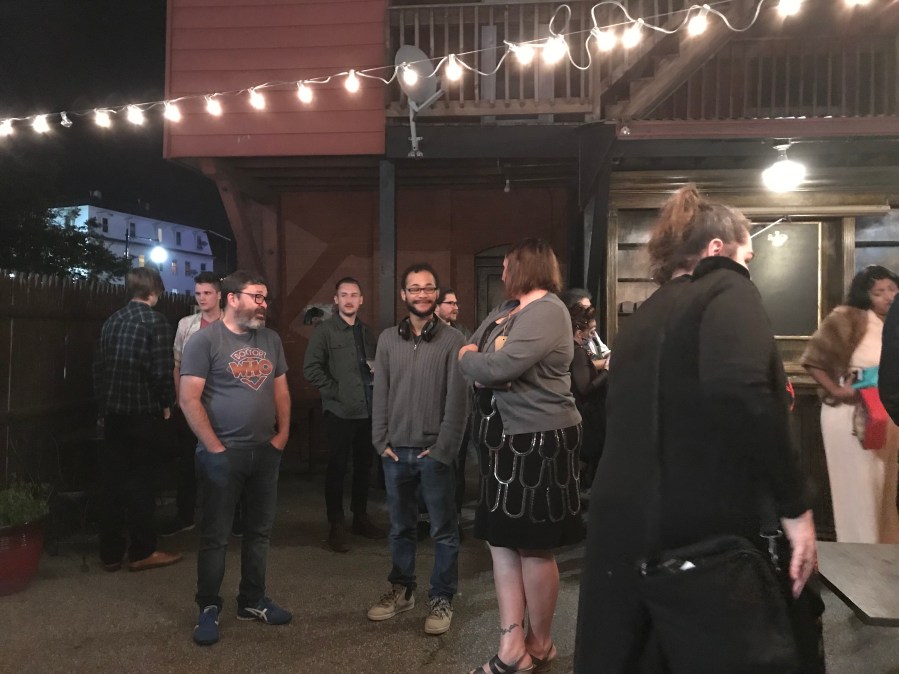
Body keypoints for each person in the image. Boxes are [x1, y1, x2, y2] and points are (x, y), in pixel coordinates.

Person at [574, 186, 819, 672]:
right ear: (717, 250)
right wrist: (795, 506)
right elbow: (742, 389)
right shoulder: (726, 287)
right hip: (701, 532)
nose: (748, 267)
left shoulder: (643, 317)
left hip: (622, 525)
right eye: (747, 256)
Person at [459, 239, 583, 674]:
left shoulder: (548, 311)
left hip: (538, 442)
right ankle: (511, 644)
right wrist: (479, 362)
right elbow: (471, 350)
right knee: (500, 541)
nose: (503, 272)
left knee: (533, 546)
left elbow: (496, 367)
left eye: (508, 265)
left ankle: (540, 643)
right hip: (502, 444)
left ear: (526, 266)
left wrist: (485, 367)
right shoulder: (505, 310)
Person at [180, 270, 292, 646]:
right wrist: (214, 447)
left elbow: (281, 391)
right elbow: (188, 399)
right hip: (222, 457)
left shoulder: (271, 339)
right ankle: (209, 606)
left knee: (259, 534)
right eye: (256, 297)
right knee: (215, 537)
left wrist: (281, 436)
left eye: (265, 298)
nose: (263, 305)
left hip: (264, 453)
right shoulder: (204, 341)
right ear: (232, 298)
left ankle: (252, 601)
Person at [366, 263, 467, 636]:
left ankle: (441, 596)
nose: (421, 294)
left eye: (428, 288)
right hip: (396, 453)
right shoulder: (387, 340)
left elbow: (459, 401)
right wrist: (380, 440)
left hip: (433, 453)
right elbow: (380, 392)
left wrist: (444, 449)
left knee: (443, 530)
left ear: (436, 294)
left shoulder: (453, 341)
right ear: (403, 294)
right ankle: (402, 589)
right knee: (400, 528)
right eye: (414, 288)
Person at [93, 267, 182, 573]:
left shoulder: (112, 320)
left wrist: (102, 408)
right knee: (142, 483)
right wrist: (167, 403)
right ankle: (142, 551)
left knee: (112, 483)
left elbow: (99, 368)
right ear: (154, 292)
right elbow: (160, 371)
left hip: (113, 414)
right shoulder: (156, 322)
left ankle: (110, 553)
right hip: (143, 414)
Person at [803, 265, 899, 543]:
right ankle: (860, 552)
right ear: (864, 295)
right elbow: (813, 359)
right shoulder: (848, 317)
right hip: (852, 413)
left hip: (887, 411)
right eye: (878, 292)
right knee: (859, 488)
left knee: (885, 486)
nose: (888, 296)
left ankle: (886, 553)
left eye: (892, 289)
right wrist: (836, 389)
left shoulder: (893, 322)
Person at [303, 277, 384, 553]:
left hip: (366, 410)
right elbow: (311, 368)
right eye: (344, 295)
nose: (349, 300)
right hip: (339, 411)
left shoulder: (367, 333)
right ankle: (336, 523)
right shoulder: (325, 332)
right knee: (337, 468)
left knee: (364, 467)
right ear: (336, 300)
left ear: (361, 300)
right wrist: (336, 391)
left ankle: (360, 517)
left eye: (354, 295)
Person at [160, 271, 224, 536]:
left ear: (219, 295)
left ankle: (228, 515)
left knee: (225, 460)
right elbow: (177, 364)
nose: (202, 298)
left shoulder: (229, 324)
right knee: (186, 461)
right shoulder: (187, 325)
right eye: (198, 293)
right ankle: (185, 514)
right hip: (191, 403)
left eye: (207, 293)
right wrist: (180, 399)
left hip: (221, 403)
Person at [435, 287, 472, 533]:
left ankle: (454, 519)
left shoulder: (463, 334)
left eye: (456, 302)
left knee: (457, 465)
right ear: (436, 307)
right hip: (433, 409)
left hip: (460, 409)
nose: (456, 307)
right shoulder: (427, 333)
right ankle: (427, 517)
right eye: (450, 303)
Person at [567, 303, 607, 491]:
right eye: (590, 332)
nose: (593, 336)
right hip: (586, 416)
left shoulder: (571, 349)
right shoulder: (578, 353)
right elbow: (585, 388)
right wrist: (607, 371)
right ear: (578, 332)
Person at [559, 287, 610, 368]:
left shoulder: (592, 332)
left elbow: (605, 352)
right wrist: (607, 363)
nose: (589, 311)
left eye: (590, 307)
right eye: (585, 308)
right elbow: (580, 365)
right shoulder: (567, 336)